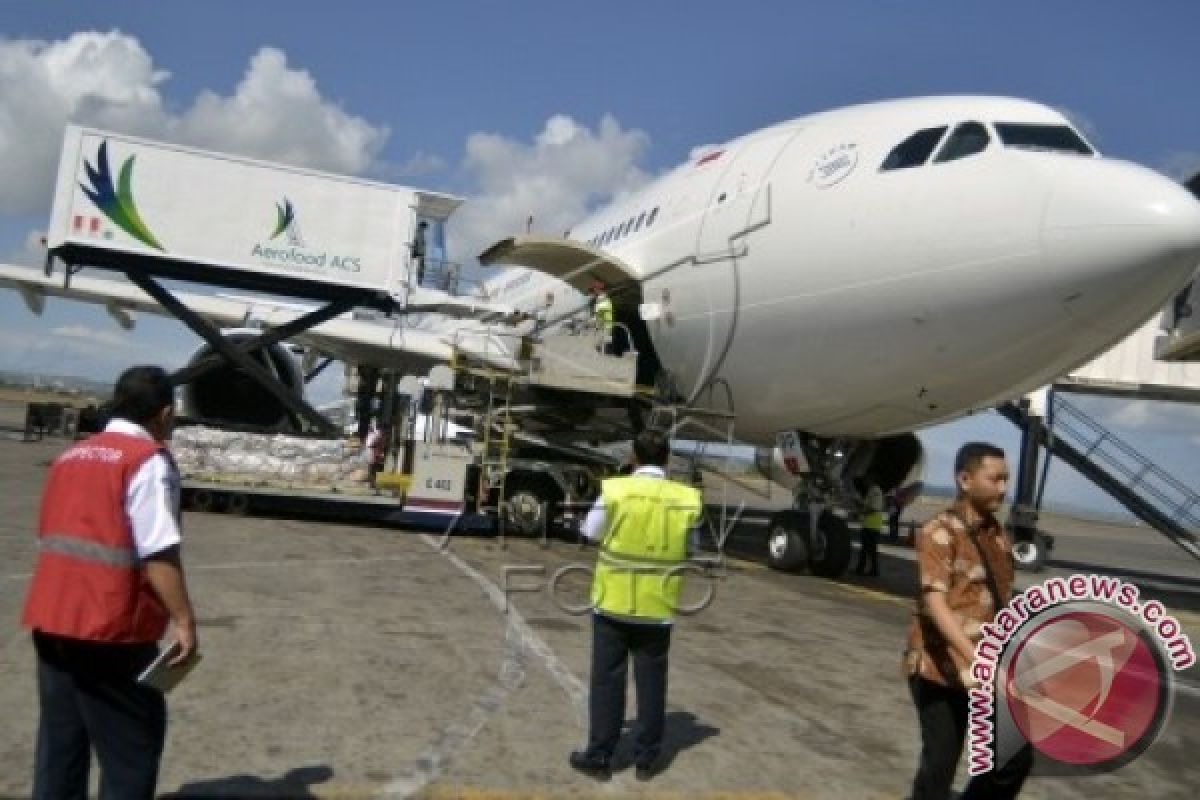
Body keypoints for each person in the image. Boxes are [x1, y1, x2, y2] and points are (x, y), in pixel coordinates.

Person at [22, 365, 198, 800]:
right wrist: (184, 620)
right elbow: (157, 551)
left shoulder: (72, 456)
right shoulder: (146, 462)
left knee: (61, 748)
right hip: (111, 627)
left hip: (52, 619)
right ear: (164, 414)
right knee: (130, 749)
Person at [569, 430, 703, 781]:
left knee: (607, 682)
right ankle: (646, 758)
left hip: (613, 604)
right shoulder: (687, 498)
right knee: (652, 683)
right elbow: (692, 547)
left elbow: (592, 532)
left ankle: (600, 756)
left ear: (634, 456)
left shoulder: (615, 489)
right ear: (668, 458)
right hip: (657, 608)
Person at [904, 442, 1033, 800]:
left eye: (1006, 479)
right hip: (939, 666)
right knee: (940, 765)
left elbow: (999, 600)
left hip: (987, 666)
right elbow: (934, 601)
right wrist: (972, 657)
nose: (1004, 489)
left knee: (1013, 757)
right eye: (995, 479)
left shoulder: (998, 536)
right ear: (965, 479)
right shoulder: (939, 530)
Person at [854, 478, 884, 577]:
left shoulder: (875, 491)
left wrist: (860, 512)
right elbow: (867, 505)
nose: (864, 481)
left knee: (869, 550)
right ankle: (864, 569)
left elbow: (873, 509)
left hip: (872, 525)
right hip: (868, 524)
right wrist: (858, 503)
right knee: (867, 549)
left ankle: (871, 570)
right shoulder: (871, 490)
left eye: (866, 479)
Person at [590, 280, 614, 352]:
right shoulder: (602, 298)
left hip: (605, 323)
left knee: (602, 343)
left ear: (598, 289)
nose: (594, 291)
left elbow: (600, 312)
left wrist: (594, 321)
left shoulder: (602, 298)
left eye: (594, 289)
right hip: (604, 324)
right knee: (601, 344)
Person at [411, 219, 428, 287]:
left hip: (419, 252)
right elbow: (418, 242)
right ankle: (419, 281)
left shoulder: (419, 232)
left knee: (421, 268)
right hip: (419, 253)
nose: (425, 229)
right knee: (421, 268)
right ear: (422, 226)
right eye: (425, 227)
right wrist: (416, 252)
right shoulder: (419, 232)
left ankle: (419, 281)